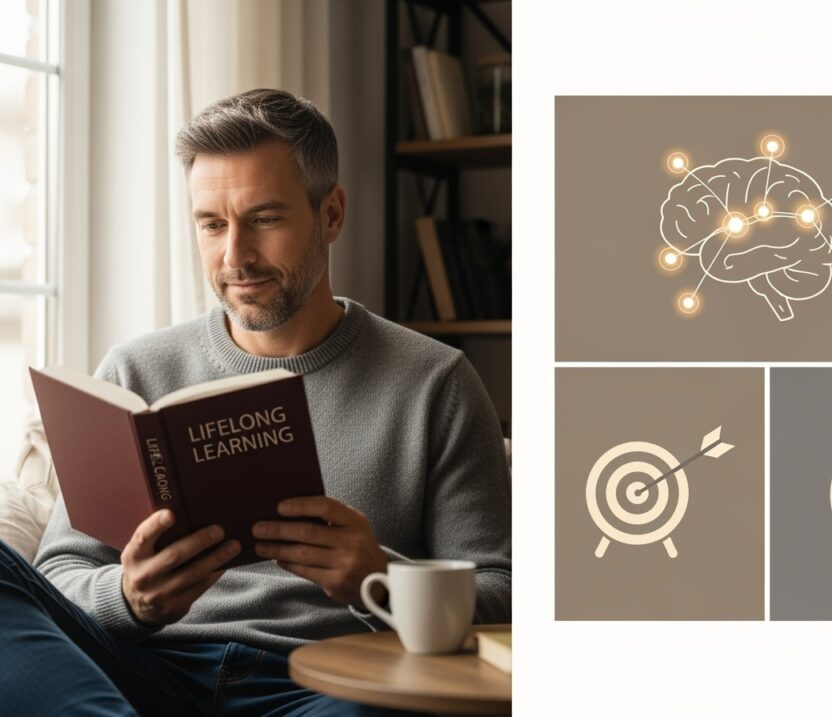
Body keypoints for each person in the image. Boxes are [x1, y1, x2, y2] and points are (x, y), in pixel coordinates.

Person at [0, 89, 511, 716]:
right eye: (212, 225)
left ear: (331, 214)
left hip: (322, 685)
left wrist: (380, 577)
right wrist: (128, 596)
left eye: (265, 219)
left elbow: (505, 594)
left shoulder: (436, 382)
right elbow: (57, 577)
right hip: (139, 673)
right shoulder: (136, 368)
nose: (234, 256)